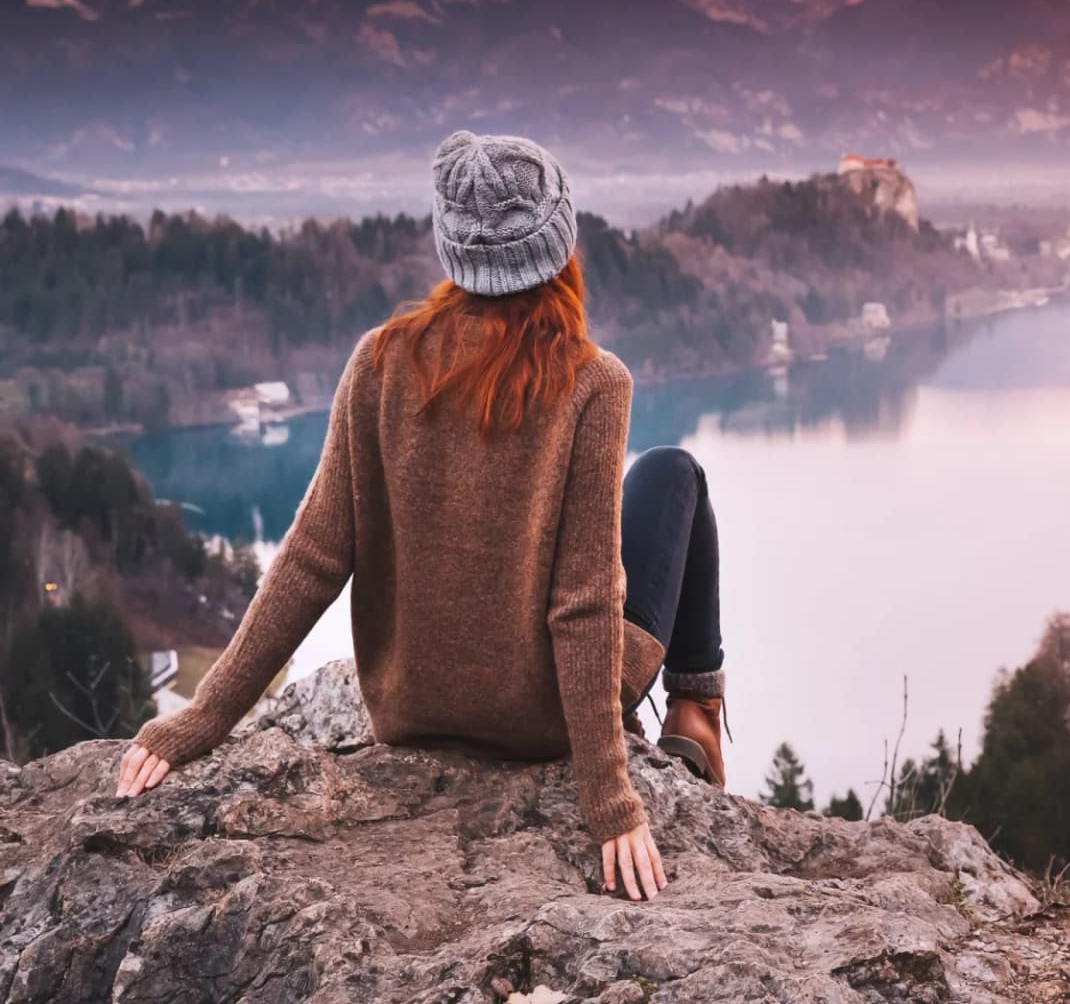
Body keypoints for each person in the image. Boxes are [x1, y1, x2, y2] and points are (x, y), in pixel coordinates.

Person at [115, 131, 727, 903]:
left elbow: (310, 558)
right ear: (562, 242)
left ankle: (691, 710)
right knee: (673, 473)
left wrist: (200, 724)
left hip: (409, 712)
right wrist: (609, 802)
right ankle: (697, 708)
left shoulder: (379, 360)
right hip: (543, 723)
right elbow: (583, 602)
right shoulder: (593, 381)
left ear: (452, 249)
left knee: (648, 489)